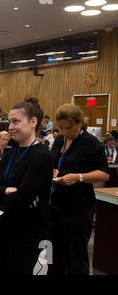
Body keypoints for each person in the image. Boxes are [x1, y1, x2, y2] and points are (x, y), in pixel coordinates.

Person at [0, 96, 53, 275]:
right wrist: (7, 191)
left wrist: (2, 195)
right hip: (5, 226)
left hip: (28, 232)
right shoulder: (9, 155)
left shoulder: (42, 156)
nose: (10, 127)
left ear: (33, 122)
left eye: (16, 121)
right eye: (9, 121)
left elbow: (23, 198)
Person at [49, 103, 109, 275]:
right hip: (56, 207)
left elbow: (104, 174)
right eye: (61, 128)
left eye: (69, 128)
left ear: (79, 124)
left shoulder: (91, 143)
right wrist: (53, 170)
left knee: (76, 257)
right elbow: (55, 163)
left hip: (78, 209)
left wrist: (79, 177)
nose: (65, 132)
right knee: (53, 253)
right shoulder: (60, 139)